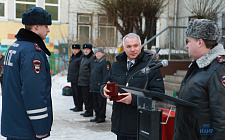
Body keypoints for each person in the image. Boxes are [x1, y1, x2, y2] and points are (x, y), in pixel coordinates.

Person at [1, 7, 53, 140]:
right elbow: (33, 92)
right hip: (26, 128)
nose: (48, 30)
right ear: (36, 26)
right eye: (46, 26)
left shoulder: (15, 47)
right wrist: (41, 127)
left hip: (14, 125)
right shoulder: (32, 52)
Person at [102, 33, 165, 140]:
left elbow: (159, 97)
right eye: (129, 46)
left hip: (140, 126)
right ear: (124, 48)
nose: (132, 49)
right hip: (120, 124)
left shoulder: (151, 66)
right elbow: (107, 81)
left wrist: (134, 100)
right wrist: (104, 89)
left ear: (141, 46)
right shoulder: (117, 64)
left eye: (135, 46)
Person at [173, 19, 225, 140]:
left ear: (200, 42)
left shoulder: (218, 70)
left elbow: (221, 119)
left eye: (188, 41)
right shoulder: (198, 65)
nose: (186, 45)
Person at [90, 47, 111, 123]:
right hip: (94, 86)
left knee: (101, 103)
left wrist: (104, 85)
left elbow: (106, 75)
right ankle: (97, 115)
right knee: (95, 102)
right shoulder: (95, 62)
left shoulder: (105, 63)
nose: (98, 55)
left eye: (99, 53)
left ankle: (101, 116)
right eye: (96, 53)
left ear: (103, 54)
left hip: (100, 86)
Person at [78, 44, 95, 117]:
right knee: (84, 97)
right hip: (82, 80)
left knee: (88, 98)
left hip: (87, 81)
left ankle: (89, 111)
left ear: (90, 50)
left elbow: (92, 70)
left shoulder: (91, 58)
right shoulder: (84, 57)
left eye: (87, 49)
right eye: (84, 49)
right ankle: (87, 110)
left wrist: (90, 80)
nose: (86, 51)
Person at [67, 44, 83, 112]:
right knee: (74, 93)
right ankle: (76, 105)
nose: (74, 51)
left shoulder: (80, 57)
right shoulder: (73, 57)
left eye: (75, 49)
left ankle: (79, 106)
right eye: (73, 49)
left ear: (79, 50)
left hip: (77, 78)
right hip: (72, 78)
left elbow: (80, 69)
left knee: (78, 93)